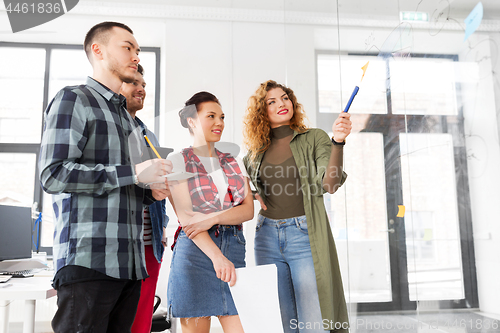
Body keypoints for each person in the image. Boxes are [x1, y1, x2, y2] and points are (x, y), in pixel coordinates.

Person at [39, 21, 172, 333]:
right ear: (97, 50)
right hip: (89, 262)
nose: (136, 56)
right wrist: (132, 173)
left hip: (130, 267)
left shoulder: (128, 120)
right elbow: (53, 174)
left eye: (138, 50)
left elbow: (127, 188)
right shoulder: (74, 99)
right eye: (127, 47)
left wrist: (153, 191)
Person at [242, 80, 351, 333]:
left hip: (304, 235)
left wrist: (339, 141)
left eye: (285, 98)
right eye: (272, 101)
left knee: (314, 321)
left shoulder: (314, 138)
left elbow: (331, 184)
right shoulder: (253, 154)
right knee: (279, 321)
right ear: (261, 111)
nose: (281, 104)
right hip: (266, 237)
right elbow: (247, 194)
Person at [166, 92, 253, 333]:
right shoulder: (177, 161)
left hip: (233, 248)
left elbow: (247, 210)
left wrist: (212, 218)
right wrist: (217, 257)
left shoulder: (235, 160)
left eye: (222, 117)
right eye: (211, 116)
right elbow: (188, 221)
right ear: (192, 121)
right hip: (195, 254)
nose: (219, 123)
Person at [119, 64, 169, 333]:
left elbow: (156, 184)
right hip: (119, 241)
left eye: (144, 85)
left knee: (141, 322)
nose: (140, 89)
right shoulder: (109, 130)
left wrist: (162, 226)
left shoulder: (148, 134)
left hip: (150, 244)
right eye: (133, 82)